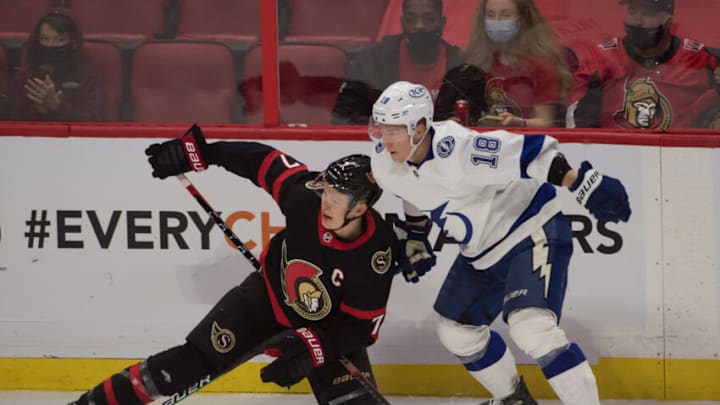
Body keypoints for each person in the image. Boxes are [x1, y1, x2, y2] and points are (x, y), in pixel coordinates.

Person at [67, 125, 398, 405]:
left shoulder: (375, 256)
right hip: (266, 300)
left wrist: (315, 348)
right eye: (325, 192)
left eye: (336, 199)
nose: (325, 202)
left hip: (323, 330)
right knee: (186, 364)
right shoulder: (305, 197)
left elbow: (361, 328)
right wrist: (203, 153)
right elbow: (263, 161)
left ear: (360, 208)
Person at [369, 81, 631, 404]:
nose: (385, 138)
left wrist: (581, 183)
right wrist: (416, 234)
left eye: (395, 130)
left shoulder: (460, 150)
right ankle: (514, 400)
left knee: (531, 328)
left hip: (531, 229)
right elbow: (409, 190)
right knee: (456, 332)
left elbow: (532, 154)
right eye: (381, 127)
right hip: (482, 252)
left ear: (421, 127)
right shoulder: (384, 162)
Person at [566, 0, 720, 129]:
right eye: (633, 11)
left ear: (669, 21)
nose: (638, 21)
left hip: (682, 158)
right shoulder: (601, 60)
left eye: (648, 13)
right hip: (611, 157)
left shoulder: (701, 60)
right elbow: (576, 126)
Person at [434, 0, 572, 128]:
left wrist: (519, 123)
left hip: (526, 145)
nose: (497, 21)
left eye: (506, 15)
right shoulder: (476, 61)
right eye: (490, 15)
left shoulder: (542, 64)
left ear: (523, 19)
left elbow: (546, 123)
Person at [332, 0, 465, 125]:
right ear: (402, 23)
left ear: (442, 23)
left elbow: (472, 118)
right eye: (410, 19)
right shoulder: (373, 60)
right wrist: (387, 126)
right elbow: (343, 116)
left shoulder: (461, 66)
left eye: (428, 19)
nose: (419, 26)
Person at [7, 7, 104, 121]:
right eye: (44, 39)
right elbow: (10, 120)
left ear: (73, 43)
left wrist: (57, 106)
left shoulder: (87, 76)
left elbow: (93, 119)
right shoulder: (25, 75)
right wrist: (38, 110)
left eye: (59, 40)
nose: (50, 45)